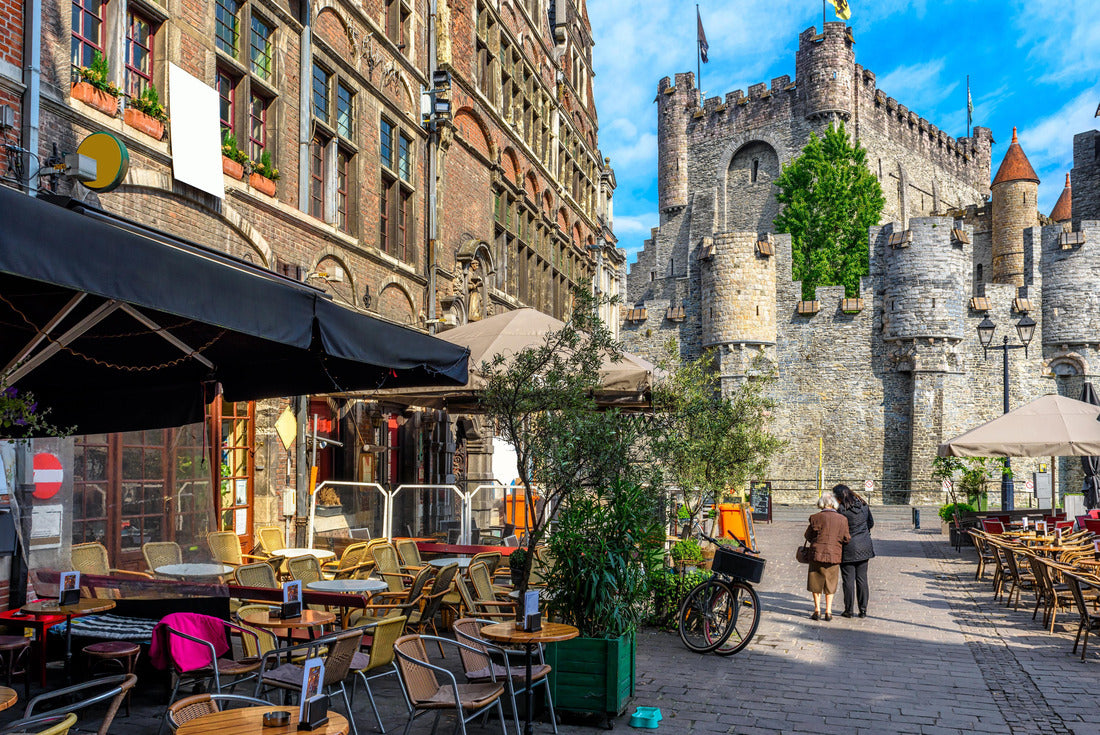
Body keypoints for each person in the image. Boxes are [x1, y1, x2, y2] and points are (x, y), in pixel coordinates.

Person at [805, 493, 850, 621]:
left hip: (817, 554)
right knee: (831, 582)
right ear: (833, 504)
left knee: (815, 582)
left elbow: (808, 536)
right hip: (834, 554)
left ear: (822, 504)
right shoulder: (842, 519)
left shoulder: (815, 517)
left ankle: (817, 610)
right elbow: (846, 538)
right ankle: (828, 611)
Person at [833, 483, 875, 618]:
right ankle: (863, 610)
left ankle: (849, 610)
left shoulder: (841, 509)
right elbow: (871, 523)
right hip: (864, 546)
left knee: (848, 580)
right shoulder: (863, 505)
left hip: (848, 547)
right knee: (862, 579)